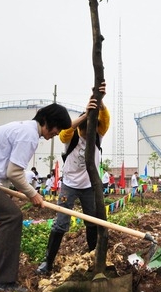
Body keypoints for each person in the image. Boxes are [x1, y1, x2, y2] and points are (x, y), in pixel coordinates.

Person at [0, 103, 71, 292]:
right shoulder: (29, 135)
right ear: (48, 121)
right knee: (12, 216)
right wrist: (33, 194)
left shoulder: (24, 128)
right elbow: (14, 173)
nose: (56, 134)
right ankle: (1, 282)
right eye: (57, 128)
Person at [37, 83, 110, 275]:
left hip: (88, 187)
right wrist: (85, 115)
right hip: (69, 186)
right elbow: (64, 132)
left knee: (92, 221)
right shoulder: (72, 137)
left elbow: (106, 121)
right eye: (85, 131)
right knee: (61, 223)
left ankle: (93, 255)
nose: (88, 135)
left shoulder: (98, 137)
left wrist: (100, 103)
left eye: (91, 130)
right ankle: (48, 262)